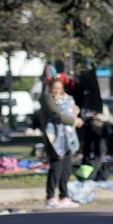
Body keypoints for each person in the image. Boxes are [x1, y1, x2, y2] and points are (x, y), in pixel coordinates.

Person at [39, 77, 82, 208]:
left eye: (59, 88)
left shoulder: (67, 99)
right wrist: (73, 121)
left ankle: (64, 196)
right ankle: (50, 197)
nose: (57, 91)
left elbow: (73, 108)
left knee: (67, 169)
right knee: (56, 168)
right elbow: (56, 114)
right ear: (50, 88)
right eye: (54, 88)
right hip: (54, 137)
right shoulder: (47, 98)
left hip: (68, 137)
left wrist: (76, 111)